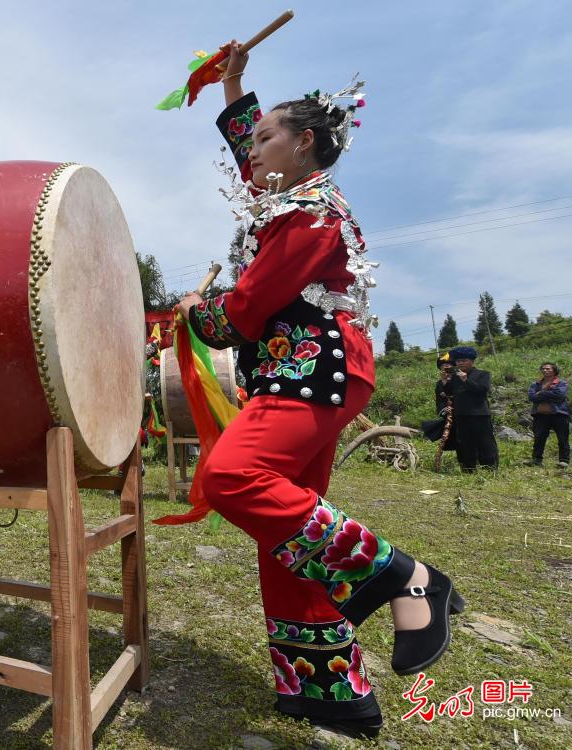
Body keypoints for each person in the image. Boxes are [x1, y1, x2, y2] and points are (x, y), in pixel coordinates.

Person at [175, 44, 462, 738]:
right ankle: (331, 691)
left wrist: (192, 310)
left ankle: (400, 576)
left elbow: (239, 313)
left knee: (231, 476)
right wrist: (234, 85)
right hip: (299, 372)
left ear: (304, 143)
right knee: (288, 534)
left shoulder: (308, 212)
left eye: (268, 135)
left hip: (312, 371)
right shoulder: (289, 200)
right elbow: (250, 164)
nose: (252, 150)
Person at [444, 346, 498, 471]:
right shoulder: (455, 377)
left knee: (485, 442)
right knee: (465, 443)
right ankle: (468, 469)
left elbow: (482, 390)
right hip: (461, 415)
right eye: (458, 361)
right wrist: (445, 382)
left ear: (472, 361)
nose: (460, 363)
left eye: (463, 360)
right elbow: (449, 393)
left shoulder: (483, 374)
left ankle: (490, 468)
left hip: (480, 415)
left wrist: (466, 380)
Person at [528, 362, 569, 468]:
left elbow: (560, 395)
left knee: (562, 438)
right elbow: (532, 397)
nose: (545, 370)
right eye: (543, 369)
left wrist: (541, 393)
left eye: (548, 369)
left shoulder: (561, 383)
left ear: (554, 370)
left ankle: (564, 460)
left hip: (559, 414)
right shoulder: (535, 384)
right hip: (540, 415)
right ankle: (536, 460)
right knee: (539, 437)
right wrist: (550, 395)